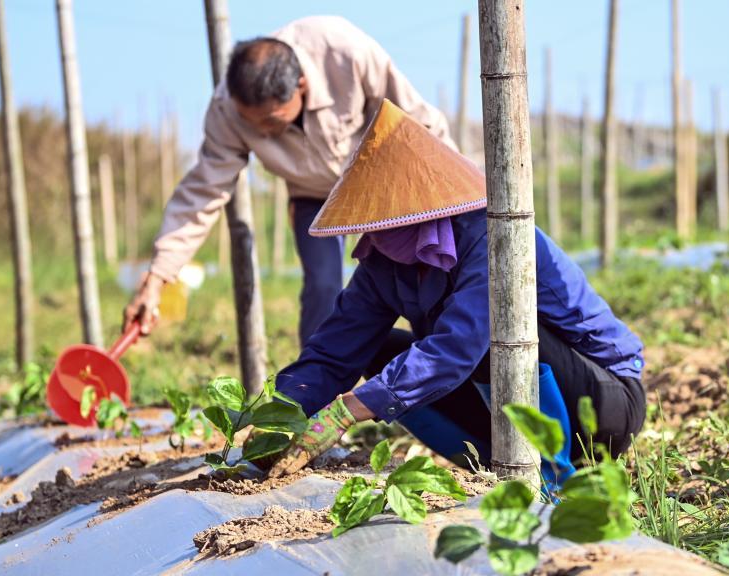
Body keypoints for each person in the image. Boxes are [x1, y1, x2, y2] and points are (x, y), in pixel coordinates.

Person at [263, 99, 647, 484]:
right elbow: (333, 350)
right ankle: (498, 464)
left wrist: (348, 410)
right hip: (504, 407)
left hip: (602, 404)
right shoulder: (382, 261)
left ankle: (549, 478)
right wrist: (277, 420)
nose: (376, 231)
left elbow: (459, 346)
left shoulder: (493, 234)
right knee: (378, 353)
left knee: (494, 334)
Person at [123, 16, 454, 345]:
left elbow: (421, 127)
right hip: (313, 197)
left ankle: (435, 376)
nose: (263, 132)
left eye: (271, 120)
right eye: (252, 125)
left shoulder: (346, 52)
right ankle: (313, 389)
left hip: (384, 184)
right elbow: (202, 193)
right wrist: (157, 278)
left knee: (418, 279)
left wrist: (457, 208)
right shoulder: (226, 109)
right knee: (323, 285)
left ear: (301, 85)